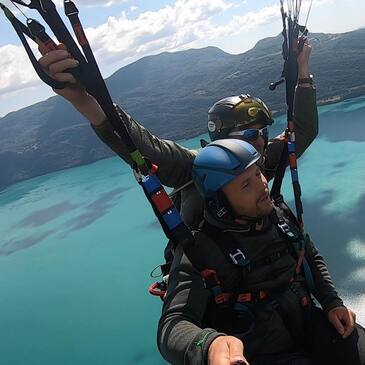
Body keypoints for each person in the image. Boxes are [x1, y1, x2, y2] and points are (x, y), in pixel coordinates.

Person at [38, 41, 318, 233]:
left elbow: (303, 132)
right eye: (249, 134)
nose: (259, 141)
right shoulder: (197, 170)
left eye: (263, 133)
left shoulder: (259, 163)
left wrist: (303, 70)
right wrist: (85, 101)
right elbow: (146, 147)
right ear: (221, 138)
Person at [157, 139, 365, 365]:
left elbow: (310, 256)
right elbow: (173, 324)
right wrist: (208, 344)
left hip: (307, 326)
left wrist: (332, 302)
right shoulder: (200, 252)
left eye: (258, 173)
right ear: (220, 202)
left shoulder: (278, 216)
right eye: (246, 184)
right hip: (258, 353)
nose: (262, 184)